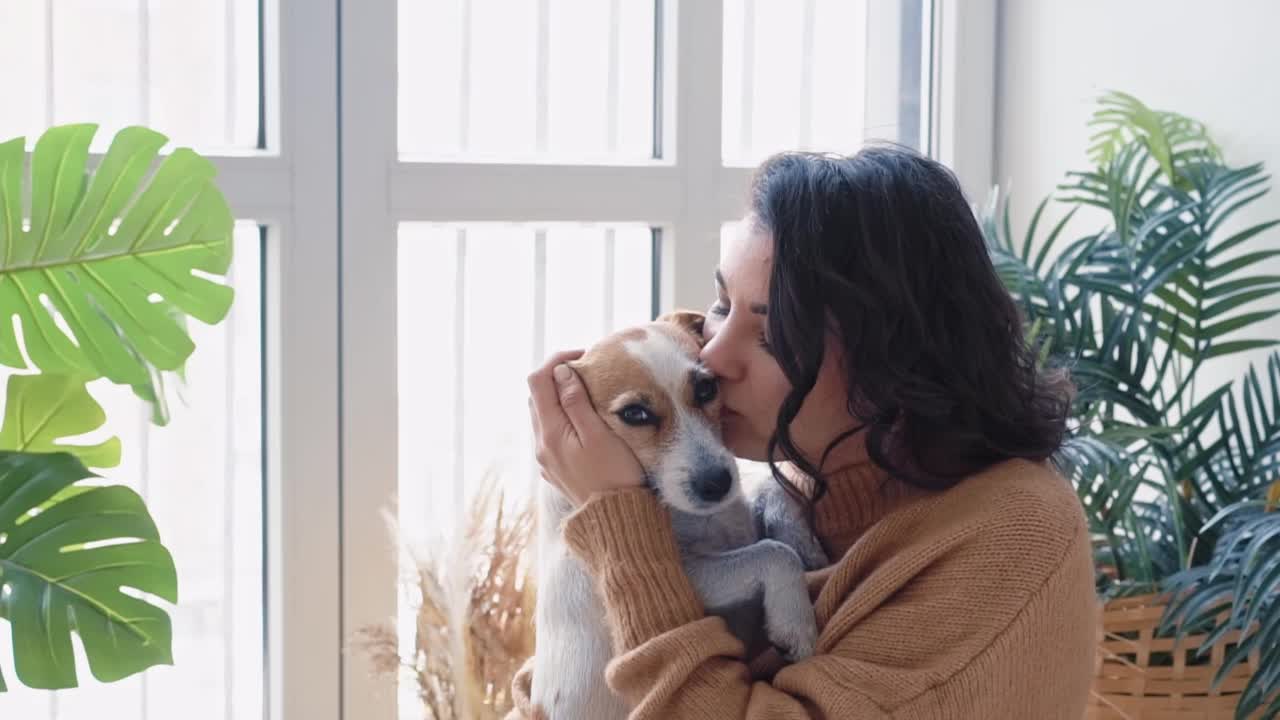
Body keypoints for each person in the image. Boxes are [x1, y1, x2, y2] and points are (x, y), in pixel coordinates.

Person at [513, 146, 1098, 719]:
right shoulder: (794, 487)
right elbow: (572, 682)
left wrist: (619, 521)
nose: (713, 357)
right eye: (722, 305)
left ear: (893, 361)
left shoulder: (1010, 540)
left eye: (770, 336)